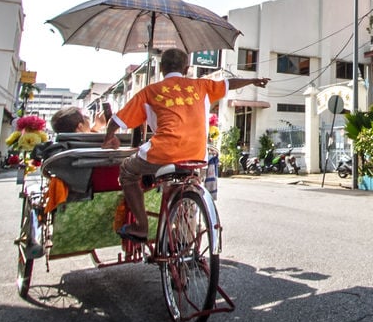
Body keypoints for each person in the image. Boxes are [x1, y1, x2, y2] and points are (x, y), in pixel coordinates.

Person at [101, 48, 270, 242]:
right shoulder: (201, 85)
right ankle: (185, 233)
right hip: (196, 155)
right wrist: (253, 81)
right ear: (187, 68)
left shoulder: (151, 91)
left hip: (162, 153)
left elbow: (117, 121)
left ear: (162, 68)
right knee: (186, 182)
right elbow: (228, 83)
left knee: (128, 171)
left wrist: (109, 138)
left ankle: (141, 226)